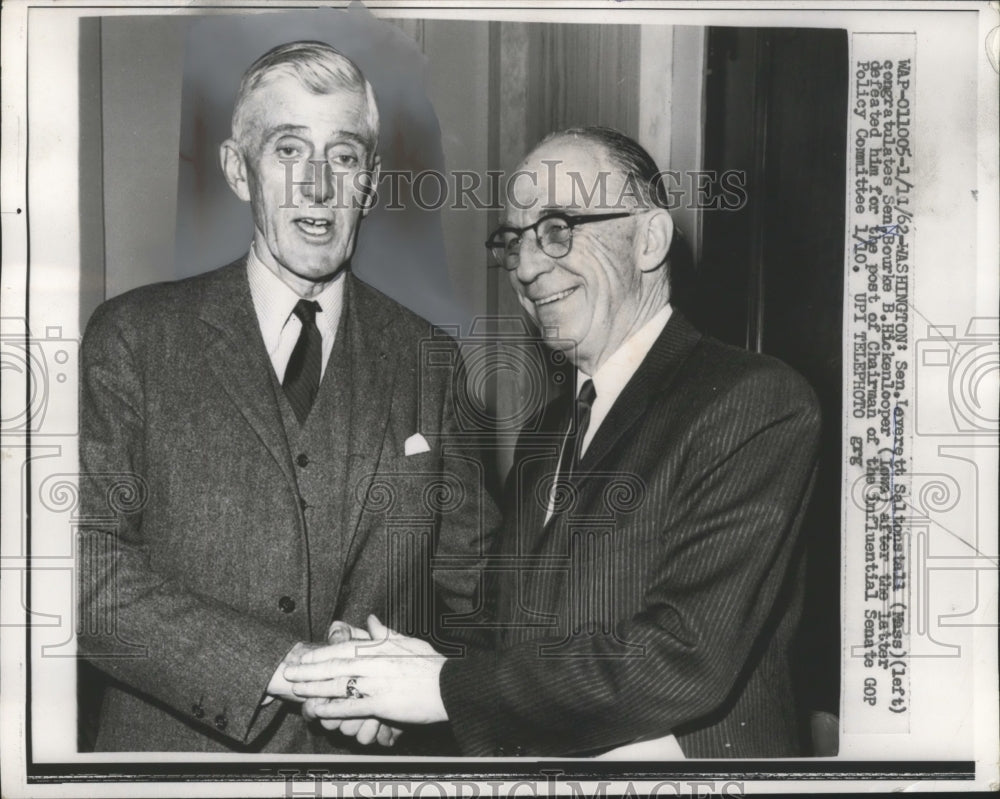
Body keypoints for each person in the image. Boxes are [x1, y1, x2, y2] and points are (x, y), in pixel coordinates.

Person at [284, 126, 822, 758]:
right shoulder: (546, 431)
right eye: (513, 242)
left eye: (558, 228)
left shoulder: (754, 400)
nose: (529, 267)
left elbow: (681, 656)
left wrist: (439, 687)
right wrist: (398, 673)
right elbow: (510, 638)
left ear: (649, 240)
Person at [76, 40, 495, 753]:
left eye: (344, 156)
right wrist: (285, 668)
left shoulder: (431, 359)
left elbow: (476, 589)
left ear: (371, 180)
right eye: (288, 150)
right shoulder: (134, 340)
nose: (318, 187)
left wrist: (420, 684)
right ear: (238, 170)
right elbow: (81, 571)